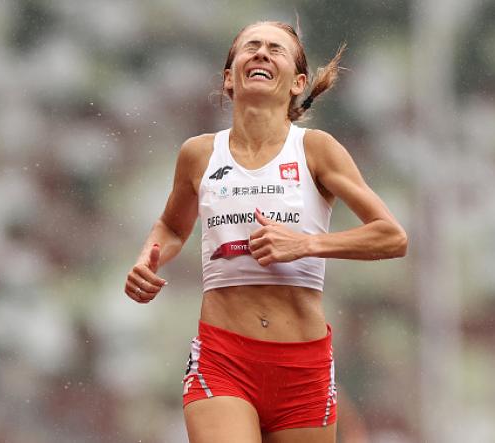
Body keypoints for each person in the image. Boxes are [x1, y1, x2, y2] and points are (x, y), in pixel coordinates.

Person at [125, 21, 407, 443]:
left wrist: (306, 244)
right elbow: (171, 226)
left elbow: (391, 237)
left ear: (297, 82)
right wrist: (147, 256)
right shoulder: (199, 154)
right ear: (228, 78)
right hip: (223, 357)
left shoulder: (316, 149)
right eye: (250, 47)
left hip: (302, 366)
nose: (260, 53)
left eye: (275, 49)